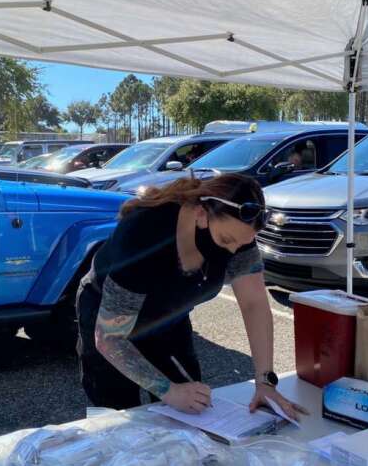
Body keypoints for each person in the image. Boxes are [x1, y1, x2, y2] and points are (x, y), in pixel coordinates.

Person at [76, 173, 307, 418]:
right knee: (117, 415)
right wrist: (168, 391)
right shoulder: (144, 232)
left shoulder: (239, 234)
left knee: (193, 405)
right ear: (200, 215)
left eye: (240, 245)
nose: (232, 252)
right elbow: (109, 339)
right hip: (108, 314)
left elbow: (254, 304)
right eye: (226, 240)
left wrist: (265, 382)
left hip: (169, 317)